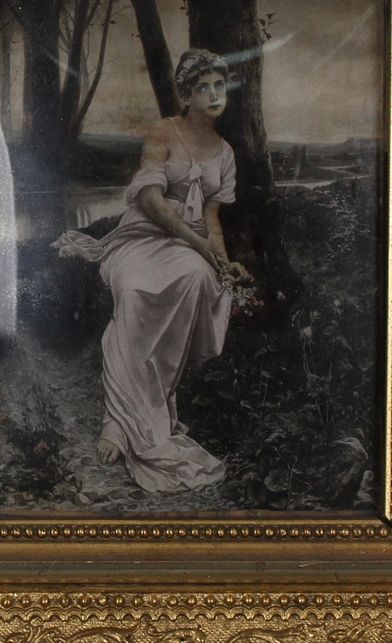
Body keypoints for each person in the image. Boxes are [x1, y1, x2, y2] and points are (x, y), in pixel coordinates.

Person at [53, 49, 250, 493]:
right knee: (137, 290)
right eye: (204, 87)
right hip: (144, 235)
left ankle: (147, 407)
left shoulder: (225, 153)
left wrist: (223, 260)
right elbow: (150, 199)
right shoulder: (164, 132)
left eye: (220, 86)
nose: (215, 95)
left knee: (198, 279)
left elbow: (212, 220)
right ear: (186, 94)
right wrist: (197, 243)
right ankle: (118, 420)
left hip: (190, 245)